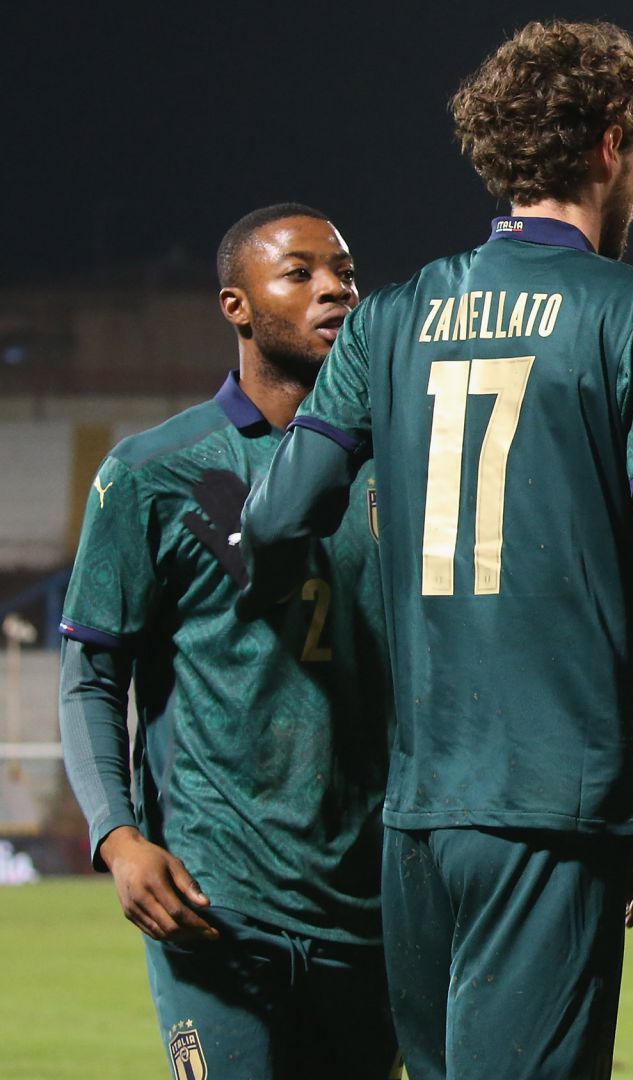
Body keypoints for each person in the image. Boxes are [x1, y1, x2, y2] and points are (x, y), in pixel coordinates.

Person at [237, 21, 633, 1079]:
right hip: (549, 800)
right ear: (613, 143)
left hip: (416, 813)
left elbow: (277, 520)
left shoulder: (392, 318)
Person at [59, 204, 396, 1078]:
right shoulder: (152, 473)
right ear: (235, 306)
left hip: (376, 903)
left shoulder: (402, 467)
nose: (334, 290)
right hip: (217, 904)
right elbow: (93, 675)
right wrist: (117, 836)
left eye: (346, 274)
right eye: (300, 272)